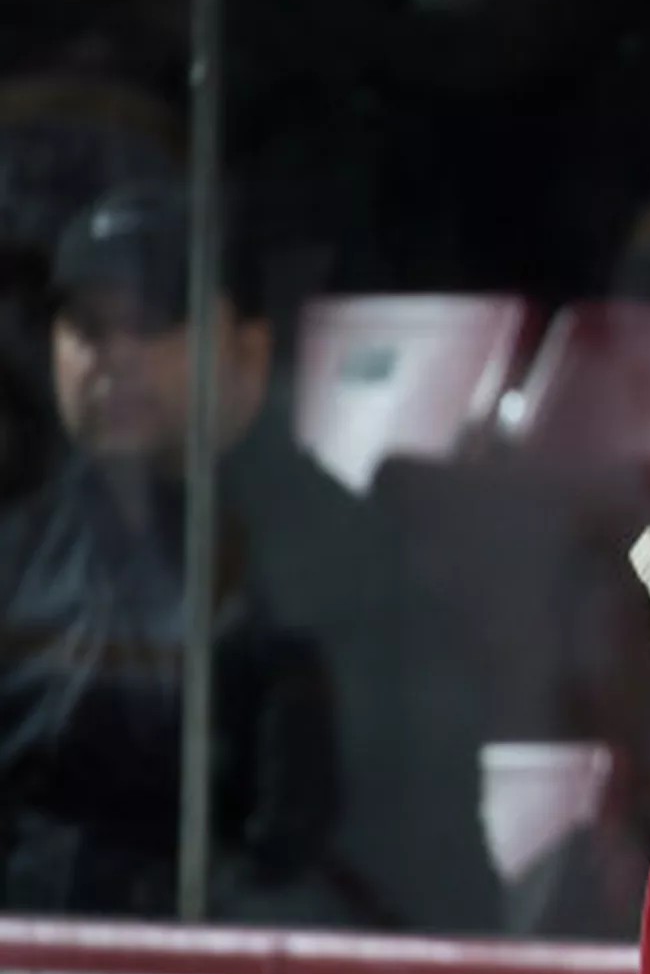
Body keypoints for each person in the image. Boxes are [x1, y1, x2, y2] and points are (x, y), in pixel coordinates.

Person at [0, 182, 495, 926]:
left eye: (156, 322)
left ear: (252, 353)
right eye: (88, 326)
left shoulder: (341, 571)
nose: (114, 357)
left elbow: (372, 874)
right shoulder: (24, 554)